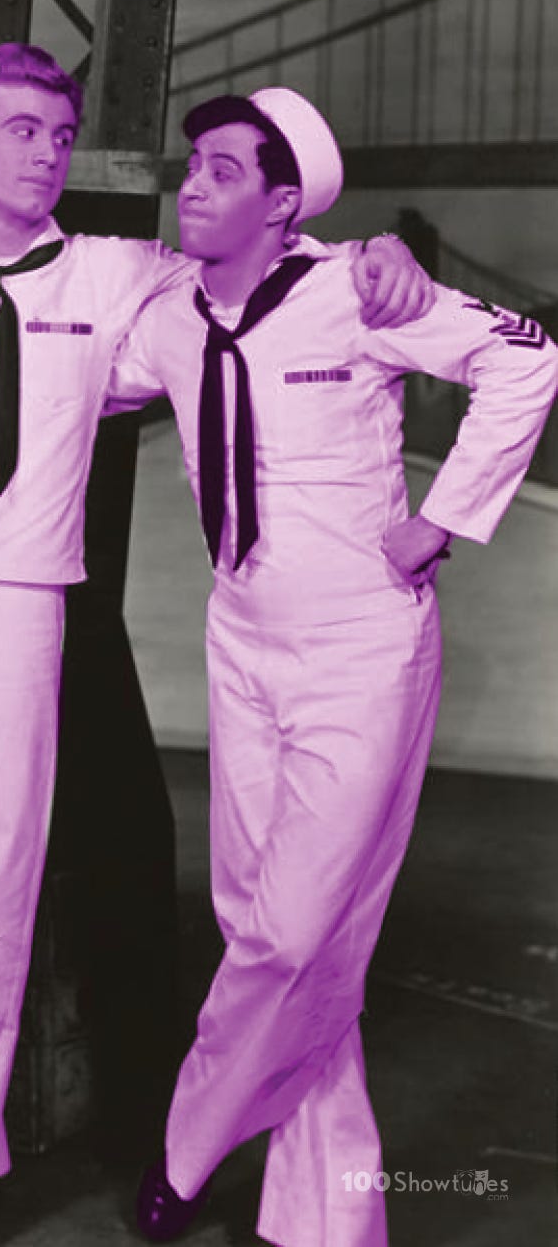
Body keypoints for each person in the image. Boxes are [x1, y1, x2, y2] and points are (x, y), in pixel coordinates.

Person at [0, 44, 430, 1247]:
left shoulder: (127, 274)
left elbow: (263, 270)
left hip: (17, 601)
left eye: (58, 129)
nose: (46, 150)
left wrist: (370, 256)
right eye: (22, 130)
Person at [102, 87, 558, 1247]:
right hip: (241, 638)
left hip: (363, 647)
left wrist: (443, 518)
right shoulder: (169, 317)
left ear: (283, 201)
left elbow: (528, 358)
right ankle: (328, 1220)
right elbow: (61, 373)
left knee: (294, 931)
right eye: (190, 165)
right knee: (269, 919)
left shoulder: (355, 290)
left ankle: (188, 1143)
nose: (191, 184)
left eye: (219, 169)